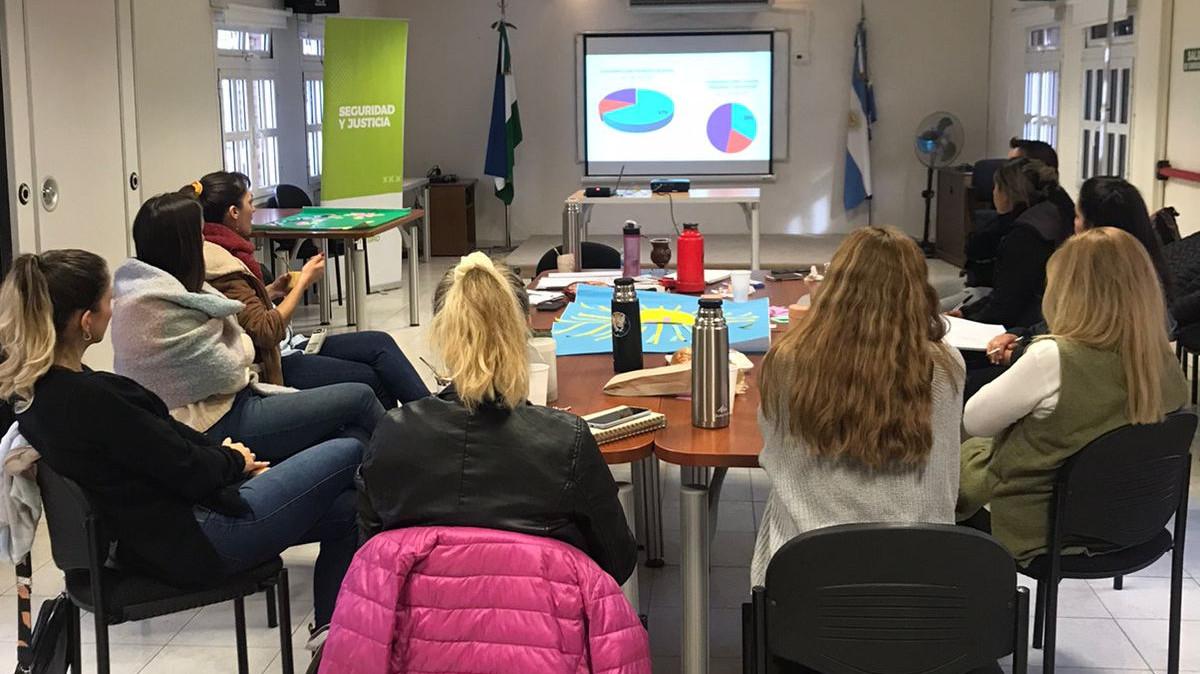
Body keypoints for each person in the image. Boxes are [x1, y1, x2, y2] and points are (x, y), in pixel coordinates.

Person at [0, 250, 361, 629]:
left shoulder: (37, 399)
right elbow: (184, 467)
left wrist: (225, 458)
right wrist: (234, 461)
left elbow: (163, 452)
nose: (114, 308)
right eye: (108, 301)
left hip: (150, 541)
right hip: (200, 539)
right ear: (86, 322)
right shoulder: (92, 400)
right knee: (351, 447)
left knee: (348, 509)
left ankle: (332, 638)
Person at [358, 252, 638, 584]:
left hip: (418, 617)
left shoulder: (392, 434)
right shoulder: (566, 442)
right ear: (525, 329)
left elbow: (371, 558)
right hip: (541, 616)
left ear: (441, 332)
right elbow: (618, 562)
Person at [958, 228, 1188, 564]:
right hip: (1134, 522)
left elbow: (975, 420)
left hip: (1045, 530)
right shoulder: (1163, 359)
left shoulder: (1053, 357)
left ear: (1069, 292)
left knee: (955, 468)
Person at [751, 227, 966, 586]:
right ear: (918, 289)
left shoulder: (789, 361)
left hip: (806, 576)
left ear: (834, 287)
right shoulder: (946, 366)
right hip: (920, 577)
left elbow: (772, 446)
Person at [112, 192, 384, 463]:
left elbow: (232, 327)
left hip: (234, 398)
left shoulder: (154, 291)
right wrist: (242, 339)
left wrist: (268, 296)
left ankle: (394, 461)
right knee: (362, 394)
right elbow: (235, 360)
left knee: (356, 430)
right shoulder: (166, 303)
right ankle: (404, 456)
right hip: (218, 418)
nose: (205, 243)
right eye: (199, 236)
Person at [188, 172, 429, 409]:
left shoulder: (226, 253)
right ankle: (418, 424)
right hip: (276, 362)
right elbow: (266, 331)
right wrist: (303, 281)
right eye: (250, 203)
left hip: (289, 345)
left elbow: (241, 311)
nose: (254, 210)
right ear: (233, 212)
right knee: (369, 378)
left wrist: (271, 291)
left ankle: (434, 415)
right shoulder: (224, 266)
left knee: (380, 343)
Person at [972, 177, 1177, 399]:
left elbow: (1080, 352)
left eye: (1078, 216)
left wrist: (1018, 353)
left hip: (1082, 387)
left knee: (970, 385)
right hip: (1068, 371)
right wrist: (1020, 335)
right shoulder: (1148, 271)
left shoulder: (1102, 283)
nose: (1073, 224)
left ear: (1095, 229)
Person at [945, 158, 1069, 330]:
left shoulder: (1022, 236)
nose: (993, 193)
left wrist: (967, 318)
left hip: (1022, 326)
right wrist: (967, 312)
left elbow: (1005, 305)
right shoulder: (1054, 214)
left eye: (996, 187)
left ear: (1007, 193)